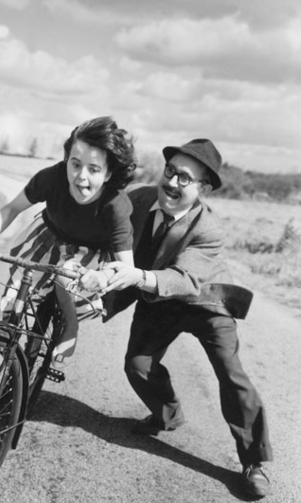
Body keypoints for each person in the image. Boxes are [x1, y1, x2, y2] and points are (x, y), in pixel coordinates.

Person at [81, 138, 273, 498]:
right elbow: (107, 228)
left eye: (185, 178)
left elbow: (183, 279)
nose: (172, 182)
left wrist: (136, 276)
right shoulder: (138, 199)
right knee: (138, 366)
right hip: (158, 300)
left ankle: (253, 461)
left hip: (205, 302)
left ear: (203, 189)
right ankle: (167, 415)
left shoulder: (209, 229)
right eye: (170, 171)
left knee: (230, 373)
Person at [0, 116, 137, 363]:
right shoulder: (51, 177)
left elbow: (127, 268)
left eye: (94, 169)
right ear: (66, 160)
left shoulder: (116, 205)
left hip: (90, 254)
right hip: (48, 238)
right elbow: (11, 209)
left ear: (108, 174)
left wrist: (104, 276)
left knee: (66, 274)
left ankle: (71, 325)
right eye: (75, 164)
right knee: (11, 304)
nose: (81, 176)